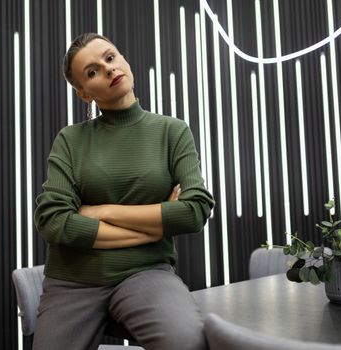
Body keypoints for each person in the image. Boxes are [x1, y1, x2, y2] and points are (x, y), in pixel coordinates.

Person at [33, 32, 214, 350]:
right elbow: (54, 221)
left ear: (124, 60)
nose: (108, 69)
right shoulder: (71, 140)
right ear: (84, 94)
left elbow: (195, 210)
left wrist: (102, 211)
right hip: (72, 279)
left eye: (110, 57)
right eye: (92, 72)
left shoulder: (172, 132)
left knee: (188, 343)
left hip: (146, 273)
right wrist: (154, 228)